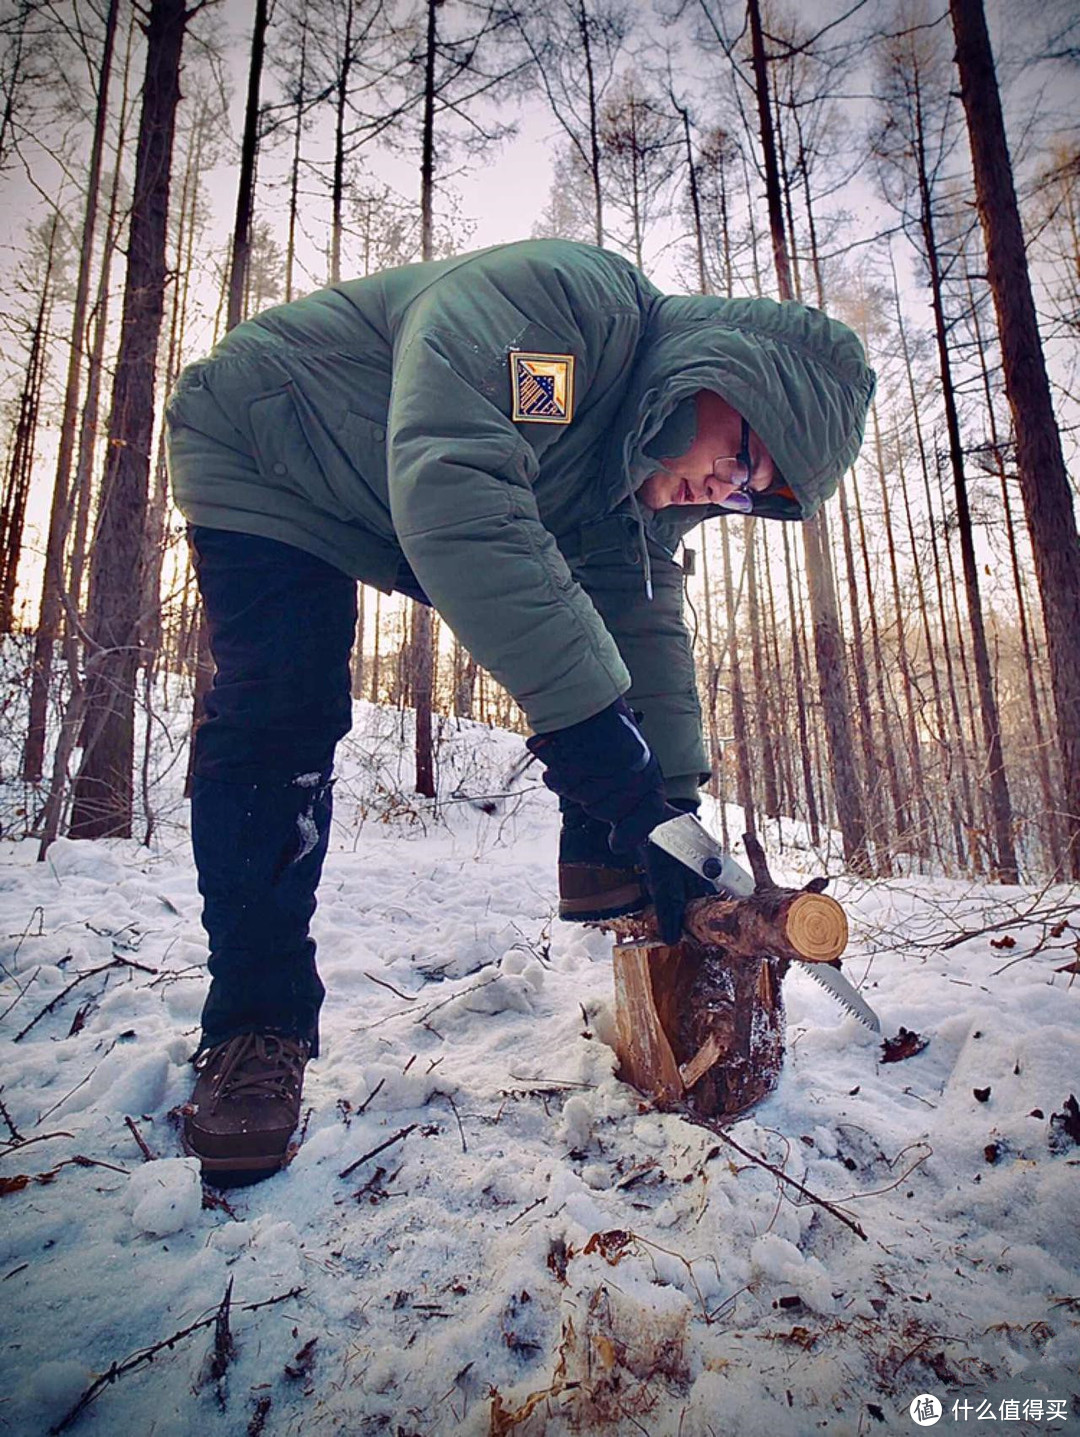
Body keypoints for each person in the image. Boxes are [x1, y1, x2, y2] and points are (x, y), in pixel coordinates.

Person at [165, 237, 875, 1182]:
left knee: (618, 741)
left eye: (754, 494)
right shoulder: (565, 315)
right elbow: (456, 488)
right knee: (282, 709)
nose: (730, 490)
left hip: (380, 494)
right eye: (745, 454)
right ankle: (256, 1024)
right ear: (721, 374)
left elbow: (645, 628)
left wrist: (665, 819)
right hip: (269, 442)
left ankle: (614, 887)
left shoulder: (640, 481)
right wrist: (600, 761)